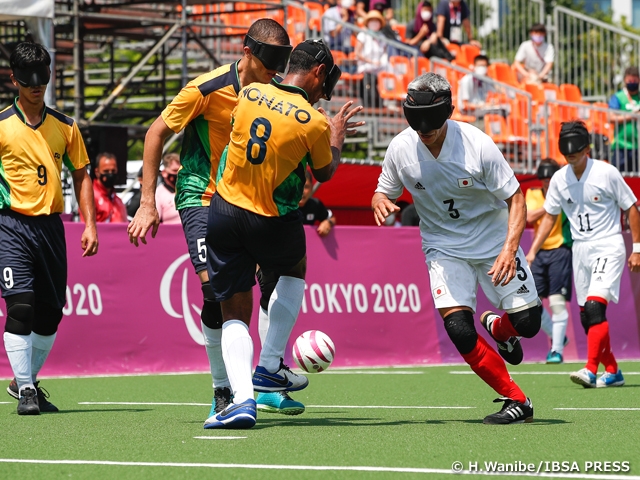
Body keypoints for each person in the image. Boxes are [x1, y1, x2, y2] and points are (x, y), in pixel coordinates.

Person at [127, 20, 300, 418]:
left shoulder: (276, 94)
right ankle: (223, 388)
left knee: (265, 286)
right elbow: (155, 134)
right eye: (270, 59)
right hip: (202, 197)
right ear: (246, 50)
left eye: (282, 60)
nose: (275, 69)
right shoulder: (206, 89)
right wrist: (148, 202)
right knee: (216, 292)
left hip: (248, 201)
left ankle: (266, 378)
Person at [203, 39, 363, 429]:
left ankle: (241, 402)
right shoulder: (314, 120)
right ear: (319, 73)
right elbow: (324, 173)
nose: (324, 95)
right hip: (270, 218)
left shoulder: (251, 90)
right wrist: (336, 135)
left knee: (233, 312)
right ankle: (270, 364)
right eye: (325, 87)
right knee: (294, 267)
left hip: (222, 211)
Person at [372, 72, 540, 424]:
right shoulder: (401, 148)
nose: (423, 128)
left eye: (430, 120)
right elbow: (383, 190)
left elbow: (516, 198)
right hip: (443, 246)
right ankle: (517, 400)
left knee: (529, 323)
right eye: (414, 120)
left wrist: (510, 248)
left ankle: (502, 330)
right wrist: (379, 200)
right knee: (460, 330)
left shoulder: (477, 144)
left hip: (494, 242)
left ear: (448, 110)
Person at [0, 42, 98, 415]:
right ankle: (27, 390)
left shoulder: (66, 126)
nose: (36, 86)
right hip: (10, 224)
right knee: (21, 306)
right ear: (14, 80)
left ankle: (23, 380)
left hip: (52, 228)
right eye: (28, 81)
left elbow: (81, 174)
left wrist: (89, 223)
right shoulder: (1, 126)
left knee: (51, 312)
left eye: (42, 78)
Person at [526, 121, 640, 388]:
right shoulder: (558, 179)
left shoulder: (606, 173)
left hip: (608, 244)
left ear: (587, 148)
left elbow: (632, 207)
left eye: (576, 148)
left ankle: (591, 369)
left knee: (594, 306)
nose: (571, 154)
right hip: (580, 249)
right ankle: (612, 371)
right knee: (586, 316)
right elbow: (549, 217)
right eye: (566, 149)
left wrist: (637, 248)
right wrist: (532, 250)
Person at [525, 158, 572, 364]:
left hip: (560, 250)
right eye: (543, 178)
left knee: (556, 302)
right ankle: (558, 334)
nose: (546, 181)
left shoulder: (566, 193)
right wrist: (551, 204)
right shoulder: (533, 193)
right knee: (531, 303)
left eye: (550, 177)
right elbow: (528, 216)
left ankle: (556, 350)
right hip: (539, 252)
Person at [608, 66, 640, 172]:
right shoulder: (618, 97)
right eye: (630, 80)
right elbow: (611, 117)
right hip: (621, 146)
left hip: (637, 147)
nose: (632, 82)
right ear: (625, 80)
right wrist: (631, 116)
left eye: (634, 80)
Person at [91, 152, 127, 223]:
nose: (110, 174)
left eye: (113, 171)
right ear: (97, 172)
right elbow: (84, 227)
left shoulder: (117, 200)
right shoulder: (90, 197)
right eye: (106, 171)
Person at [299, 169, 336, 237]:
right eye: (299, 186)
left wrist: (328, 222)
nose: (302, 191)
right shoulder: (283, 206)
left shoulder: (315, 204)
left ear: (311, 188)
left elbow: (332, 218)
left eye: (306, 187)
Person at [155, 153, 181, 224]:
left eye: (180, 170)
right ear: (164, 173)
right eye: (175, 171)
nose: (178, 174)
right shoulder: (158, 193)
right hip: (170, 233)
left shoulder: (189, 190)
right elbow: (156, 220)